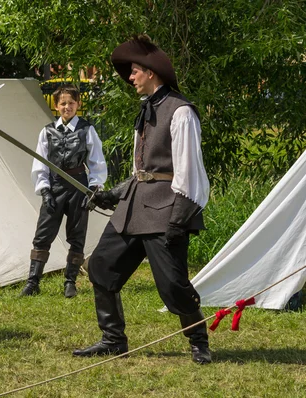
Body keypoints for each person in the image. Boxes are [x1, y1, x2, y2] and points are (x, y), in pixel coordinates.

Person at [72, 36, 212, 364]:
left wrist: (178, 219)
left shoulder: (180, 112)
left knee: (173, 283)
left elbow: (190, 172)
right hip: (135, 206)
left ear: (151, 72)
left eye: (135, 71)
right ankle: (113, 339)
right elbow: (143, 173)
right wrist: (113, 194)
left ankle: (198, 341)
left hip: (166, 210)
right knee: (101, 266)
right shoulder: (146, 110)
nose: (131, 78)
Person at [20, 84, 108, 298]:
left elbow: (97, 161)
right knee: (43, 234)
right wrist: (45, 190)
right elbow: (39, 162)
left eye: (71, 103)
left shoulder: (87, 129)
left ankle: (70, 282)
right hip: (55, 185)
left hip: (78, 185)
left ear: (77, 104)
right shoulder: (47, 131)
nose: (67, 107)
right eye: (62, 103)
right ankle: (33, 282)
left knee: (77, 236)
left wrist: (94, 188)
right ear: (56, 106)